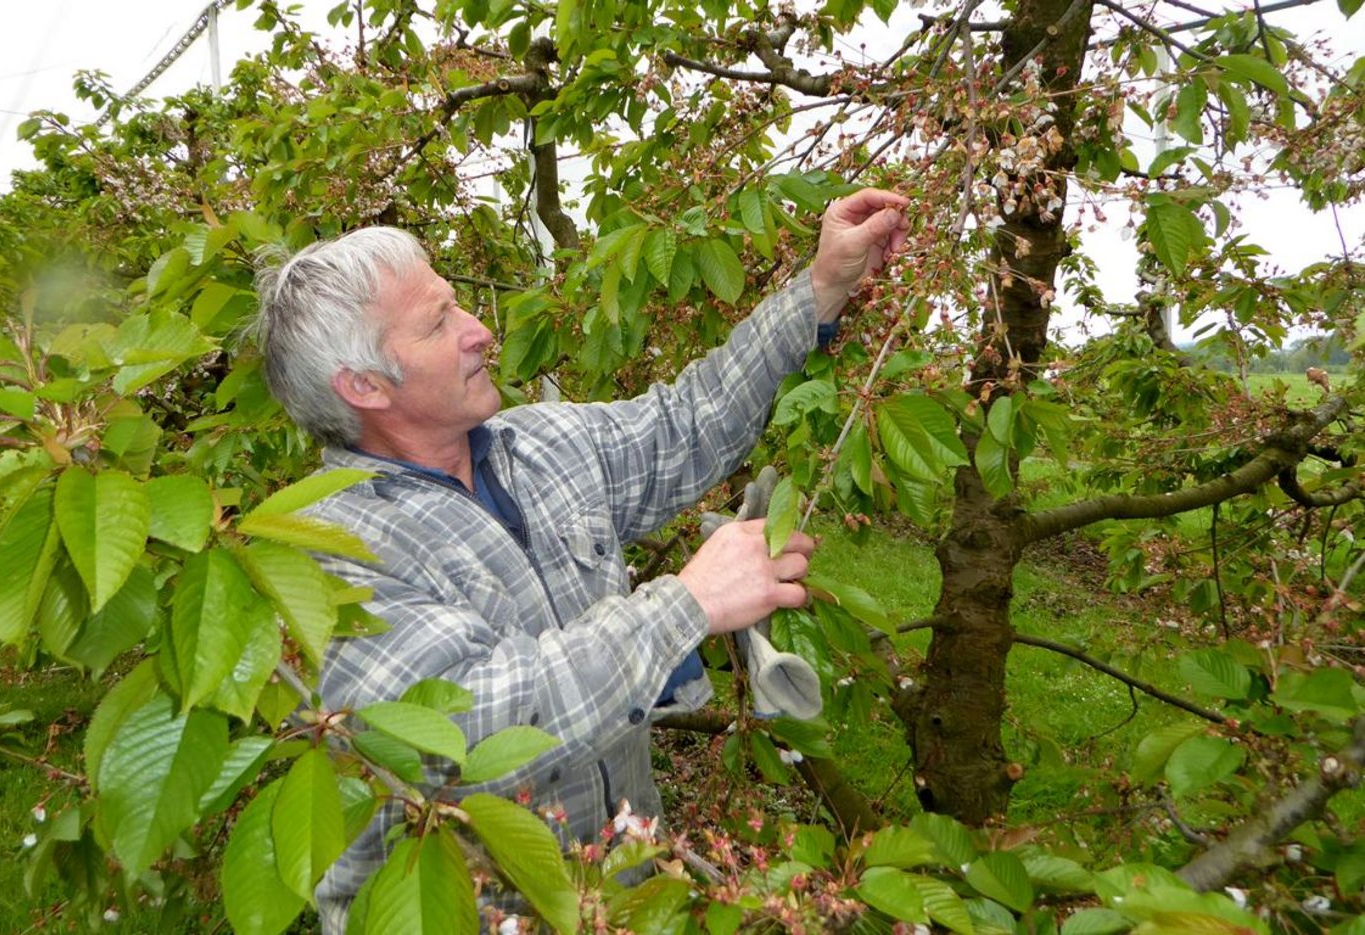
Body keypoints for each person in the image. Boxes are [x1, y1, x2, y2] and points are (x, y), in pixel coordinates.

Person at [254, 188, 911, 931]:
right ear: (364, 385)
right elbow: (464, 730)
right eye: (439, 323)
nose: (479, 331)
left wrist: (822, 284)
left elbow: (688, 422)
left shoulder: (541, 445)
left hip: (622, 895)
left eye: (458, 304)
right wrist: (687, 603)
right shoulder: (322, 547)